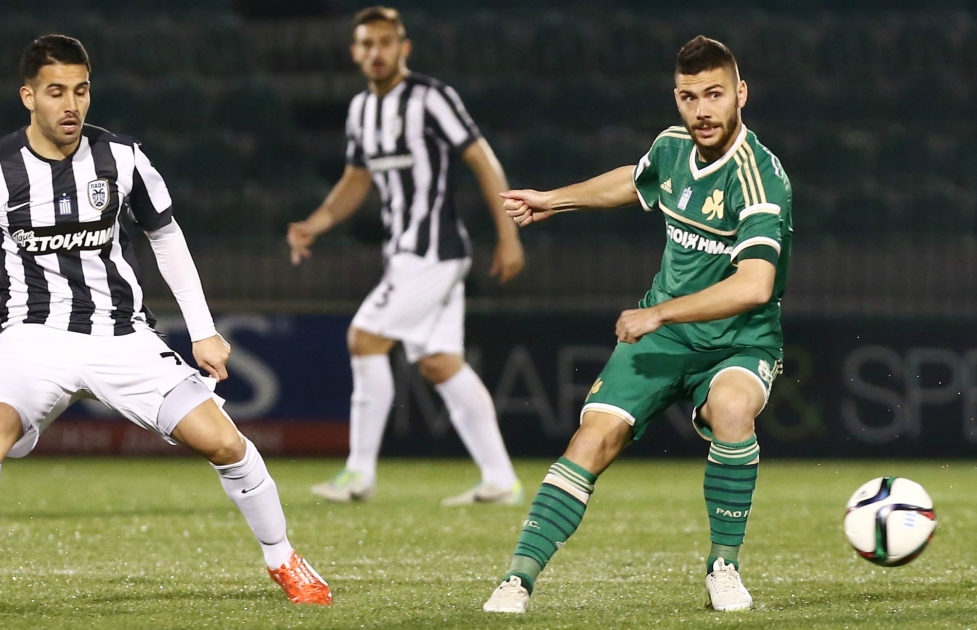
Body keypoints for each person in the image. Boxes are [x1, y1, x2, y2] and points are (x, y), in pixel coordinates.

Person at [0, 34, 331, 612]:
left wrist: (202, 329)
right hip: (32, 336)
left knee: (226, 443)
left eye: (81, 90)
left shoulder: (122, 159)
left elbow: (166, 236)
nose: (71, 104)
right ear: (28, 96)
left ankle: (283, 558)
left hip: (121, 335)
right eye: (55, 92)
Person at [482, 36, 793, 613]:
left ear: (741, 95)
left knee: (731, 409)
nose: (702, 110)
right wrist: (553, 200)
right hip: (665, 337)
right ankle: (517, 580)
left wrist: (659, 312)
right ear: (676, 99)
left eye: (715, 95)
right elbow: (634, 180)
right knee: (592, 438)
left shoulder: (759, 178)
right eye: (689, 97)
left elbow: (755, 285)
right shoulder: (672, 148)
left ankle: (723, 567)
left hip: (739, 341)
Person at [287, 6, 525, 506]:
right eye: (367, 44)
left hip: (432, 250)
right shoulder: (360, 109)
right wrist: (316, 223)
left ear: (404, 47)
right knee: (439, 363)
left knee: (364, 337)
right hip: (407, 254)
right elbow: (356, 180)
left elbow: (482, 160)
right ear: (355, 52)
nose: (376, 52)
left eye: (385, 42)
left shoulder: (431, 97)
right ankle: (500, 479)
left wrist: (509, 234)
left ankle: (359, 474)